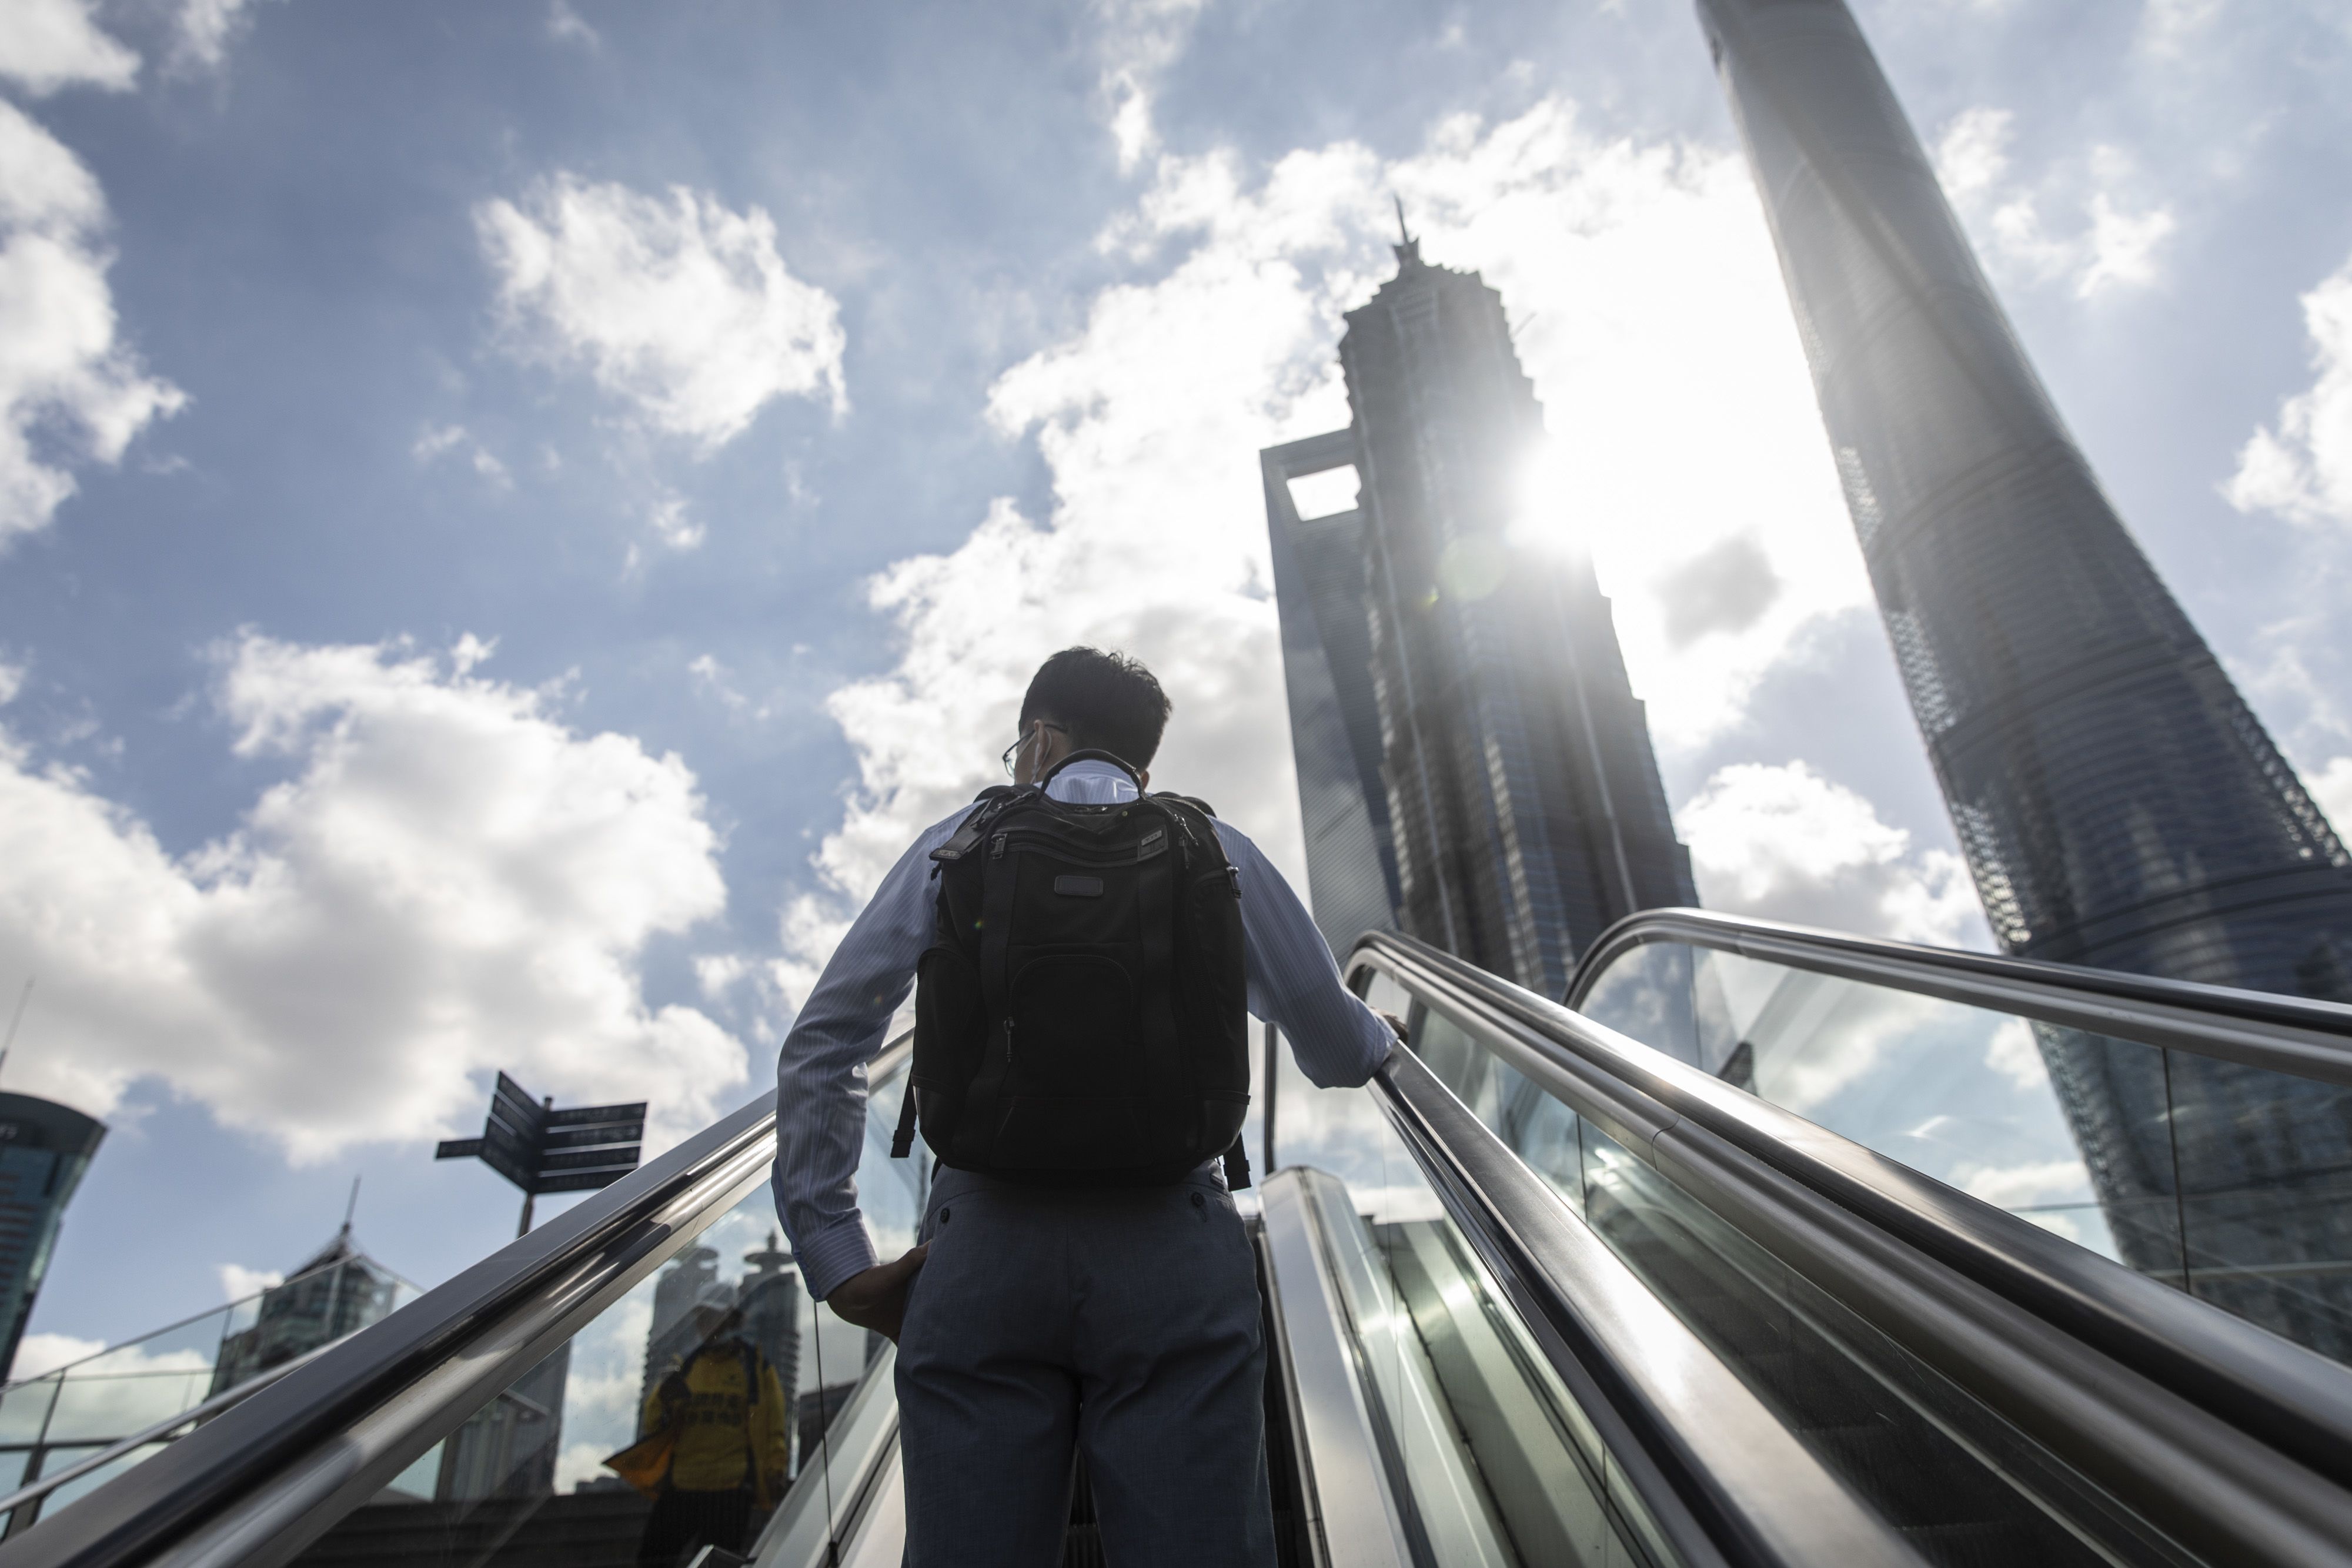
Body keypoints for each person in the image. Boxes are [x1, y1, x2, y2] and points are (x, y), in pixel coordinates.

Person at [772, 647, 1399, 1567]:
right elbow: (1338, 1051)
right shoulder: (1212, 849)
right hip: (1174, 1250)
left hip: (981, 1249)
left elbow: (828, 1037)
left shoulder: (960, 844)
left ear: (1040, 738)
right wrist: (1385, 1039)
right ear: (1144, 765)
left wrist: (835, 1249)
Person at [634, 1283, 793, 1568]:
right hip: (682, 1486)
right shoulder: (685, 1366)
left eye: (714, 1316)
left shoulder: (756, 1368)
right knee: (652, 1560)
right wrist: (664, 1400)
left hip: (730, 1491)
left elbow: (774, 1425)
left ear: (734, 1319)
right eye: (703, 1317)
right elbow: (653, 1424)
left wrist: (775, 1469)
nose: (707, 1325)